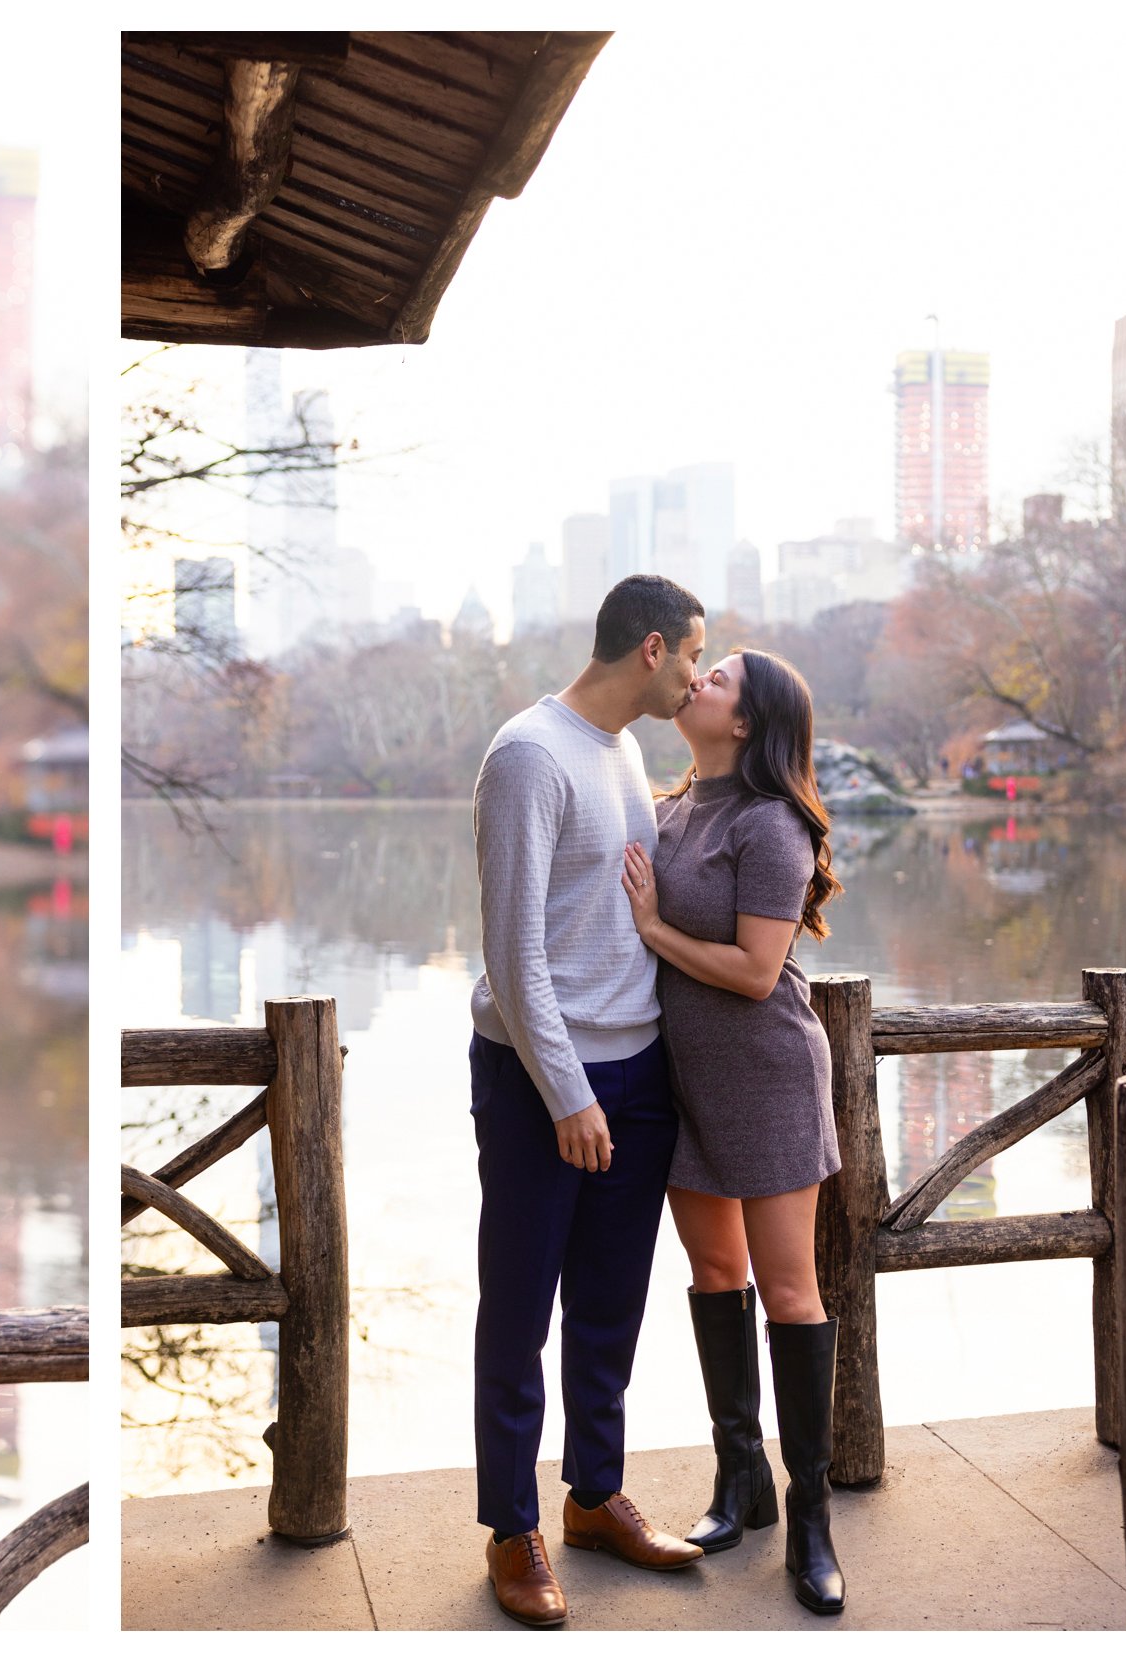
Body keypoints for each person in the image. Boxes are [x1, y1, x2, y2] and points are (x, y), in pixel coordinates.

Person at [467, 575, 709, 1628]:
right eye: (695, 656)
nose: (700, 676)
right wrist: (566, 1091)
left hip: (638, 1071)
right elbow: (515, 951)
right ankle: (512, 1527)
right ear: (652, 648)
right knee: (519, 1308)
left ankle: (593, 1496)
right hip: (539, 1076)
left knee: (610, 1305)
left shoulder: (624, 748)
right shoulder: (529, 753)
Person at [621, 648, 847, 1615]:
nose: (697, 680)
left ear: (746, 723)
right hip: (685, 1085)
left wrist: (652, 930)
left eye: (717, 679)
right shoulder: (668, 809)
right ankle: (738, 1481)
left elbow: (758, 974)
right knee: (715, 1276)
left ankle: (811, 1520)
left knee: (789, 1291)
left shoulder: (772, 824)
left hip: (766, 1080)